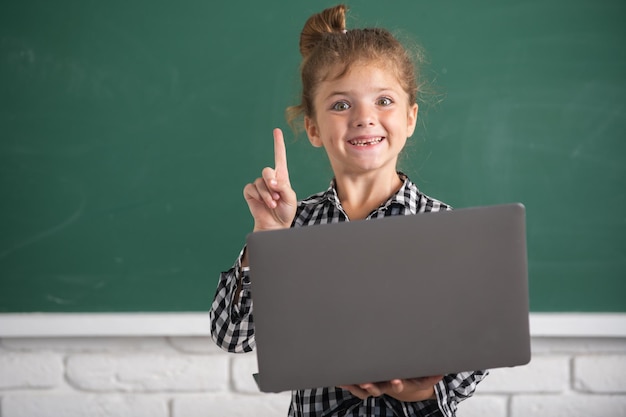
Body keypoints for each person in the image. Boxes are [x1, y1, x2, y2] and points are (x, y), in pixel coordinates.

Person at [210, 4, 487, 416]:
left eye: (384, 101)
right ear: (314, 128)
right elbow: (232, 336)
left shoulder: (443, 227)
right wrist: (266, 237)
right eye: (341, 105)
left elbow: (476, 347)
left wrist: (423, 392)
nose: (364, 118)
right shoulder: (291, 226)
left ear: (410, 118)